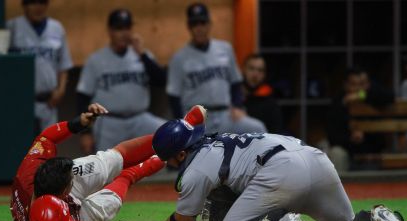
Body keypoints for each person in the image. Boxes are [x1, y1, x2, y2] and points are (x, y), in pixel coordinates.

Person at [129, 119, 407, 221]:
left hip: (280, 173)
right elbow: (222, 202)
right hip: (316, 161)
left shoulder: (194, 170)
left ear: (178, 155)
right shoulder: (218, 145)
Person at [11, 103, 206, 221]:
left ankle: (175, 136)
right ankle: (138, 171)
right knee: (109, 202)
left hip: (61, 183)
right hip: (68, 213)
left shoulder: (29, 170)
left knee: (112, 159)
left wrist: (77, 124)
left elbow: (46, 138)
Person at [167, 2, 266, 134]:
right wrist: (182, 124)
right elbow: (174, 96)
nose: (199, 28)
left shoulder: (225, 48)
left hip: (225, 115)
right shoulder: (179, 58)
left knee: (257, 128)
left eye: (202, 23)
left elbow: (235, 82)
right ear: (189, 27)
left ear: (209, 24)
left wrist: (237, 106)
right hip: (195, 119)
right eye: (195, 24)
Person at [77, 8, 166, 153]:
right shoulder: (96, 60)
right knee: (109, 171)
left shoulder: (142, 55)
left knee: (171, 134)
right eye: (119, 28)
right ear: (110, 31)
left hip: (140, 120)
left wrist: (142, 54)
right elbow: (82, 97)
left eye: (127, 28)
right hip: (109, 123)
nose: (124, 33)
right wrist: (85, 133)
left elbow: (161, 81)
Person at [7, 0, 73, 133]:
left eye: (42, 2)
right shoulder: (12, 27)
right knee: (22, 149)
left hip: (48, 103)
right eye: (33, 2)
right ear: (24, 5)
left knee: (47, 149)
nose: (38, 7)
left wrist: (61, 90)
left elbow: (64, 63)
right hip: (19, 103)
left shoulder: (57, 28)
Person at [326, 68, 394, 171]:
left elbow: (390, 96)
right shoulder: (338, 102)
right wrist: (351, 138)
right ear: (346, 85)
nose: (358, 88)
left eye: (362, 84)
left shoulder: (372, 97)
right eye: (354, 84)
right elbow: (333, 136)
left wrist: (362, 95)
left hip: (370, 150)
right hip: (347, 149)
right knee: (336, 153)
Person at [242, 54, 283, 134]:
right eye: (251, 68)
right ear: (243, 69)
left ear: (264, 75)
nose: (255, 74)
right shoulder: (231, 98)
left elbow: (275, 134)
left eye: (260, 70)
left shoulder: (271, 104)